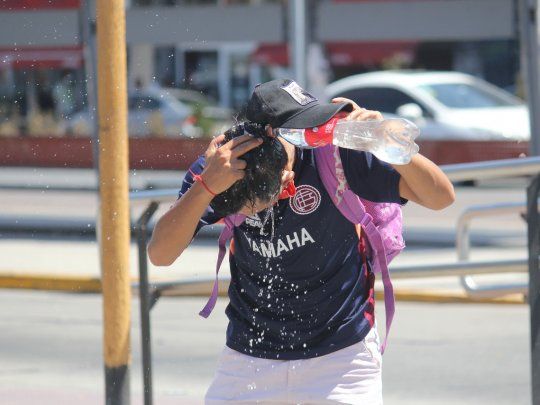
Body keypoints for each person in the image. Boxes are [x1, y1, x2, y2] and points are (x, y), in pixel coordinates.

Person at [148, 79, 455, 404]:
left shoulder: (336, 157)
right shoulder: (221, 168)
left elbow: (441, 197)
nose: (287, 189)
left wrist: (385, 143)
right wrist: (206, 187)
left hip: (342, 358)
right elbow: (160, 254)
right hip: (249, 358)